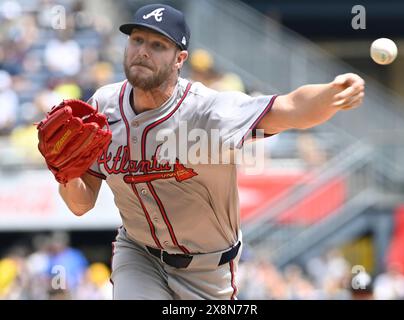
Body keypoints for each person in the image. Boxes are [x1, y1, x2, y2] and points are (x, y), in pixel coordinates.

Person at [58, 3, 364, 300]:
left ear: (180, 59)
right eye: (137, 39)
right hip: (138, 255)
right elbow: (81, 204)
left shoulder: (207, 110)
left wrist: (332, 94)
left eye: (157, 45)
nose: (143, 51)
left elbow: (290, 107)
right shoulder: (103, 107)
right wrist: (66, 175)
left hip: (207, 270)